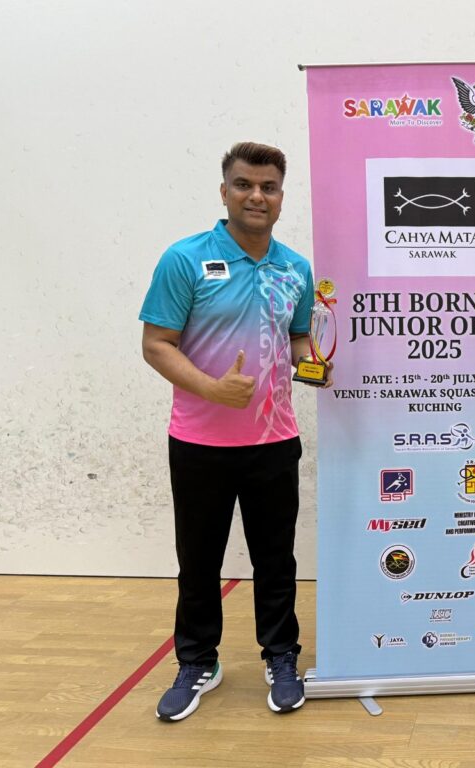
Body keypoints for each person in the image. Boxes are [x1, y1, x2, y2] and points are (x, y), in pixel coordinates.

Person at [140, 142, 324, 721]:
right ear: (224, 192)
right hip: (199, 445)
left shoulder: (295, 268)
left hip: (274, 441)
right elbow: (156, 344)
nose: (256, 196)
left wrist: (313, 362)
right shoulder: (184, 259)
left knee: (277, 560)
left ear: (281, 197)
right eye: (244, 185)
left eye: (268, 187)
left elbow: (298, 337)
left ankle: (282, 656)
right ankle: (198, 661)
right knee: (199, 561)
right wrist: (212, 388)